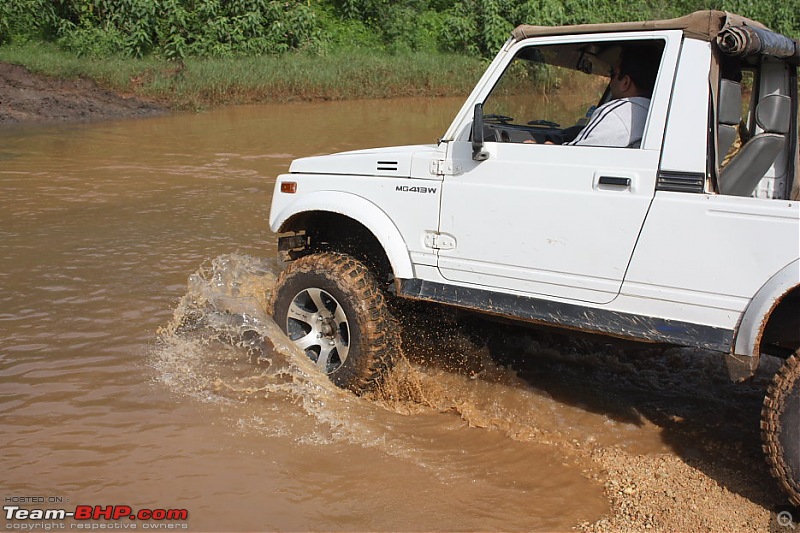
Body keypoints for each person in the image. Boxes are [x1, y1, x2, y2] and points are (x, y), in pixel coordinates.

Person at [566, 46, 661, 148]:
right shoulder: (656, 113)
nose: (611, 83)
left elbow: (576, 153)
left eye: (612, 75)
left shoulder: (618, 113)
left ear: (625, 82)